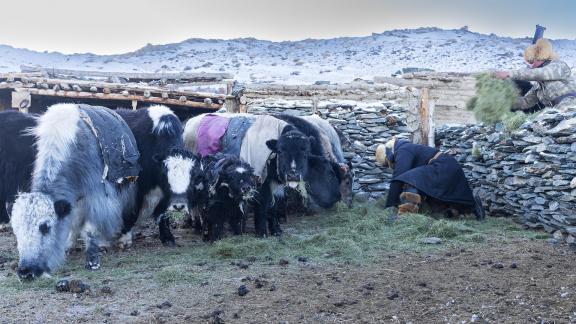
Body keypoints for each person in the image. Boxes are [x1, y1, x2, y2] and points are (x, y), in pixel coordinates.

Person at [375, 137, 484, 220]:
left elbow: (398, 179)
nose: (389, 165)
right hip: (447, 166)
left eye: (386, 163)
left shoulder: (403, 150)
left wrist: (389, 207)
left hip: (442, 166)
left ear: (388, 156)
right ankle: (472, 206)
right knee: (441, 209)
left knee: (410, 179)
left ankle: (405, 217)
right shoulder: (403, 148)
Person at [494, 38, 576, 112]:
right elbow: (525, 102)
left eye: (531, 62)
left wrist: (509, 74)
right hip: (555, 112)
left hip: (571, 106)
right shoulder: (538, 87)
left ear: (540, 57)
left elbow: (540, 73)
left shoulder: (558, 66)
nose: (531, 66)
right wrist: (504, 101)